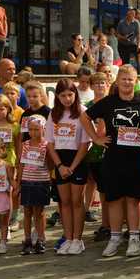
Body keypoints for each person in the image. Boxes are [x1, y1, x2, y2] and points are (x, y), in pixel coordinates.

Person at [80, 65, 140, 258]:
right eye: (124, 79)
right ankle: (115, 237)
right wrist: (96, 138)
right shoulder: (108, 102)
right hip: (113, 158)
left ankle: (134, 238)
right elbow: (84, 117)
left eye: (131, 79)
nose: (127, 82)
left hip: (136, 159)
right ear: (117, 82)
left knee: (133, 200)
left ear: (136, 82)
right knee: (114, 200)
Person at [46, 79, 91, 255]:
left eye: (70, 95)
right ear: (57, 96)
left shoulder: (82, 113)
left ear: (75, 94)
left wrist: (72, 166)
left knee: (76, 202)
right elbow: (49, 143)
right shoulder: (53, 115)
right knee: (64, 202)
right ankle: (68, 237)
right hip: (60, 160)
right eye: (63, 95)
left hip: (77, 161)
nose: (67, 99)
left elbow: (85, 143)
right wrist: (59, 165)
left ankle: (78, 240)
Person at [16, 115, 50, 255]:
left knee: (39, 212)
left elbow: (50, 164)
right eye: (30, 129)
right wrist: (18, 183)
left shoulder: (47, 145)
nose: (33, 132)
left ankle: (41, 239)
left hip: (41, 181)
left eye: (36, 129)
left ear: (43, 128)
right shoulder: (25, 145)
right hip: (26, 181)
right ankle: (27, 239)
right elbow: (21, 164)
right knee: (27, 212)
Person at [83, 73, 110, 234]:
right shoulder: (87, 106)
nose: (100, 86)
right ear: (91, 86)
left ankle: (108, 223)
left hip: (106, 149)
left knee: (105, 190)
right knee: (90, 182)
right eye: (97, 83)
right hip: (90, 149)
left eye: (103, 83)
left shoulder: (111, 103)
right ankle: (87, 209)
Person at [0, 93, 21, 232]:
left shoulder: (14, 126)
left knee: (9, 190)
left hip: (10, 163)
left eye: (1, 109)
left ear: (8, 109)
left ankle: (11, 219)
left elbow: (19, 146)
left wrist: (20, 162)